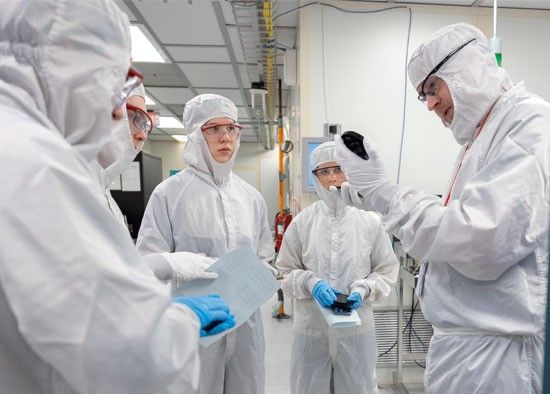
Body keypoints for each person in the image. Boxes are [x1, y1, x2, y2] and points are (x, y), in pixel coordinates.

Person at [0, 1, 234, 393]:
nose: (115, 116)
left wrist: (156, 273)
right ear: (71, 65)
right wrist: (179, 322)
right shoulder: (35, 164)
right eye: (115, 83)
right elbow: (135, 358)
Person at [335, 22, 550, 393]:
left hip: (497, 358)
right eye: (424, 95)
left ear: (467, 68)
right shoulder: (482, 137)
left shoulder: (528, 122)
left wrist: (386, 194)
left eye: (433, 87)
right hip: (468, 349)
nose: (431, 104)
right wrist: (374, 196)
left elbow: (480, 239)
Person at [136, 94, 275, 394]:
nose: (225, 137)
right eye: (213, 129)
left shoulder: (251, 197)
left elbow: (265, 255)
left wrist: (263, 274)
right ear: (196, 135)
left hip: (245, 323)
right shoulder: (169, 195)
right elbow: (148, 263)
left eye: (232, 129)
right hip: (195, 324)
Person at [275, 141, 398, 394]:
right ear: (315, 177)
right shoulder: (302, 223)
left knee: (358, 387)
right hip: (311, 328)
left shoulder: (370, 221)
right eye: (324, 171)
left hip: (357, 328)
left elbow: (386, 270)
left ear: (349, 171)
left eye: (338, 169)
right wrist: (310, 283)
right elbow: (285, 271)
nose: (332, 177)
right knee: (308, 388)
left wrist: (364, 289)